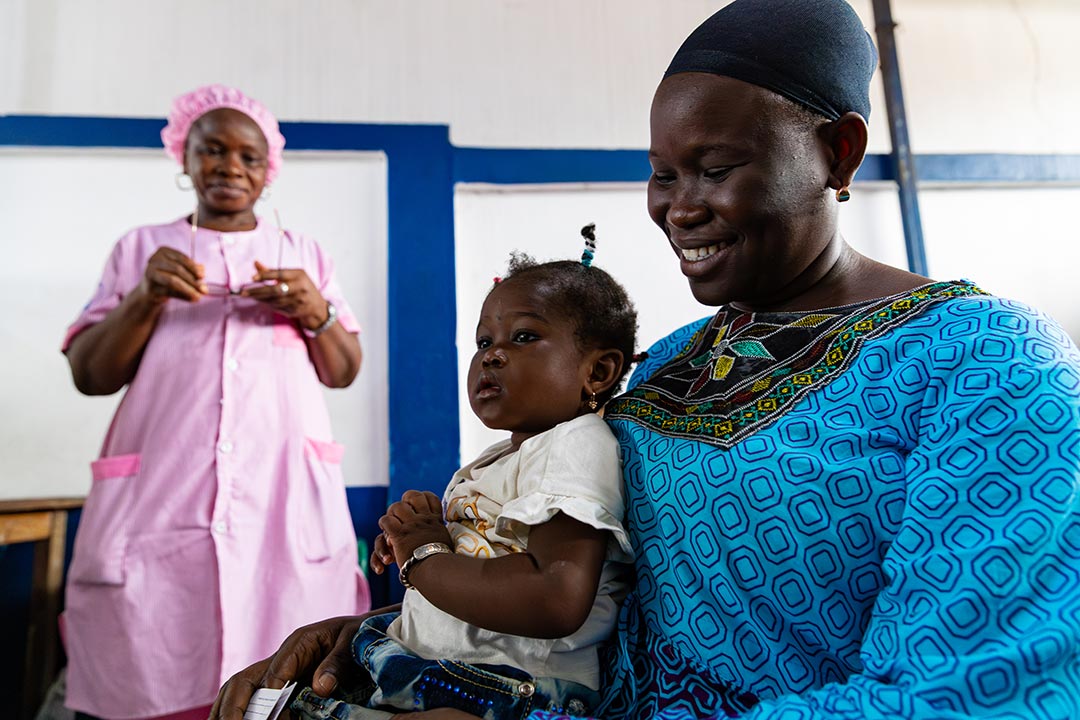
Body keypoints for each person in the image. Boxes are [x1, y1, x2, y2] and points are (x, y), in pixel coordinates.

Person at [211, 0, 1080, 718]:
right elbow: (592, 593)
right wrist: (394, 633)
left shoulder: (986, 368)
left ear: (838, 152)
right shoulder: (665, 368)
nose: (677, 207)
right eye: (663, 173)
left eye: (715, 167)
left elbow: (977, 690)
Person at [62, 84, 370, 720]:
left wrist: (315, 312)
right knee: (152, 663)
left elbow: (343, 370)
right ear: (184, 158)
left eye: (248, 157)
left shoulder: (302, 255)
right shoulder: (140, 249)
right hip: (160, 499)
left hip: (281, 497)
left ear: (268, 171)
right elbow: (91, 374)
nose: (229, 166)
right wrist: (143, 298)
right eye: (211, 151)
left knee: (285, 675)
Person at [289, 242, 638, 720]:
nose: (493, 356)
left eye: (523, 337)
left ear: (597, 372)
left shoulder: (575, 445)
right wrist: (418, 530)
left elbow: (555, 598)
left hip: (512, 691)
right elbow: (475, 556)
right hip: (434, 670)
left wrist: (424, 558)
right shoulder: (501, 457)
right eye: (483, 343)